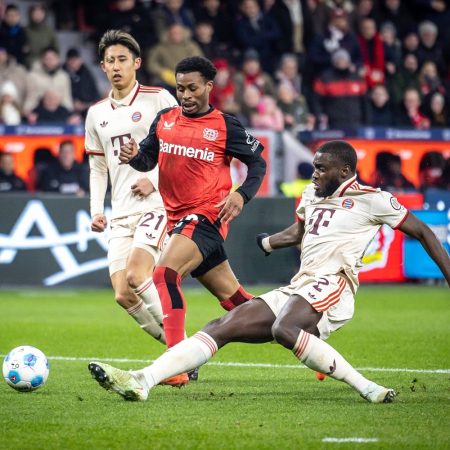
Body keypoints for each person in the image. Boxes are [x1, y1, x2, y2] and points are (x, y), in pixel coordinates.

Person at [88, 140, 450, 402]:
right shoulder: (312, 196)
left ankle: (368, 388)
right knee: (220, 326)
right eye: (314, 167)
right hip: (300, 286)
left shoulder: (374, 199)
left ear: (344, 171)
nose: (314, 174)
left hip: (335, 284)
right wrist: (269, 243)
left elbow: (422, 232)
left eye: (321, 169)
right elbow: (298, 232)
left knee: (284, 329)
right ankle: (142, 380)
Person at [114, 56, 266, 386]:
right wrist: (133, 157)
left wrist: (241, 195)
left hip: (207, 216)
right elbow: (147, 160)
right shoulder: (164, 120)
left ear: (209, 86)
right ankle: (301, 332)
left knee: (164, 274)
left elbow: (258, 163)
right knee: (238, 303)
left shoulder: (225, 125)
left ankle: (174, 366)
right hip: (178, 220)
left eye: (192, 88)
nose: (185, 95)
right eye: (180, 88)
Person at [84, 30, 178, 361]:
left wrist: (153, 179)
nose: (116, 66)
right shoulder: (96, 113)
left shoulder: (159, 98)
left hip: (156, 205)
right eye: (110, 61)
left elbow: (181, 146)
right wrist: (97, 210)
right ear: (102, 66)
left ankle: (178, 353)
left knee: (138, 276)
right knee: (123, 294)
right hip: (121, 212)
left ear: (137, 63)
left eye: (122, 59)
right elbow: (98, 168)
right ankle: (181, 349)